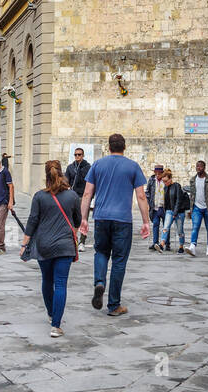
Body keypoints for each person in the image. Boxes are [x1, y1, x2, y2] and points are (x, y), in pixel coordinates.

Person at [79, 133, 151, 317]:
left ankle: (99, 282)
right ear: (124, 147)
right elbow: (141, 196)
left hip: (101, 217)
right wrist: (145, 221)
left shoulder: (98, 164)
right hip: (123, 220)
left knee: (101, 252)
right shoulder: (133, 166)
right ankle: (113, 305)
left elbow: (87, 194)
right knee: (119, 261)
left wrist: (84, 219)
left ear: (108, 147)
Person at [21, 161, 82, 338]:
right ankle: (56, 325)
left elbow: (32, 221)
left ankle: (50, 313)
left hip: (44, 245)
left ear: (46, 176)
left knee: (47, 281)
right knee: (61, 283)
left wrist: (24, 244)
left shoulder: (39, 196)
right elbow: (77, 221)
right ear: (61, 174)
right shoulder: (72, 196)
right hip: (64, 246)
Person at [185, 160, 208, 256]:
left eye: (200, 166)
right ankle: (192, 246)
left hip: (207, 207)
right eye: (197, 166)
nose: (198, 168)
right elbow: (192, 195)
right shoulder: (193, 180)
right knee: (195, 226)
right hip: (196, 207)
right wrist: (191, 209)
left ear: (204, 167)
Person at [66, 147, 91, 245]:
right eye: (75, 154)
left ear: (83, 155)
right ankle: (73, 238)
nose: (77, 156)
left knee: (83, 219)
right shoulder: (70, 167)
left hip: (83, 197)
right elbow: (66, 181)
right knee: (72, 218)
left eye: (79, 154)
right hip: (72, 196)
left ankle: (82, 241)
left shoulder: (88, 167)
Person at [160, 169, 190, 253]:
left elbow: (178, 200)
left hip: (179, 212)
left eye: (166, 181)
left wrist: (175, 212)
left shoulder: (177, 186)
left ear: (170, 179)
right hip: (169, 211)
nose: (165, 183)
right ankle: (162, 244)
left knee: (180, 230)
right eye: (163, 181)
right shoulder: (165, 187)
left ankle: (181, 246)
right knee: (165, 228)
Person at [145, 164, 166, 251]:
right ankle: (155, 243)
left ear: (162, 173)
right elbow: (147, 192)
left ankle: (166, 243)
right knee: (155, 224)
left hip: (164, 207)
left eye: (159, 173)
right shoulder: (151, 180)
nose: (157, 175)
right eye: (156, 173)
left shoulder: (165, 180)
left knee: (166, 227)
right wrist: (149, 202)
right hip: (155, 207)